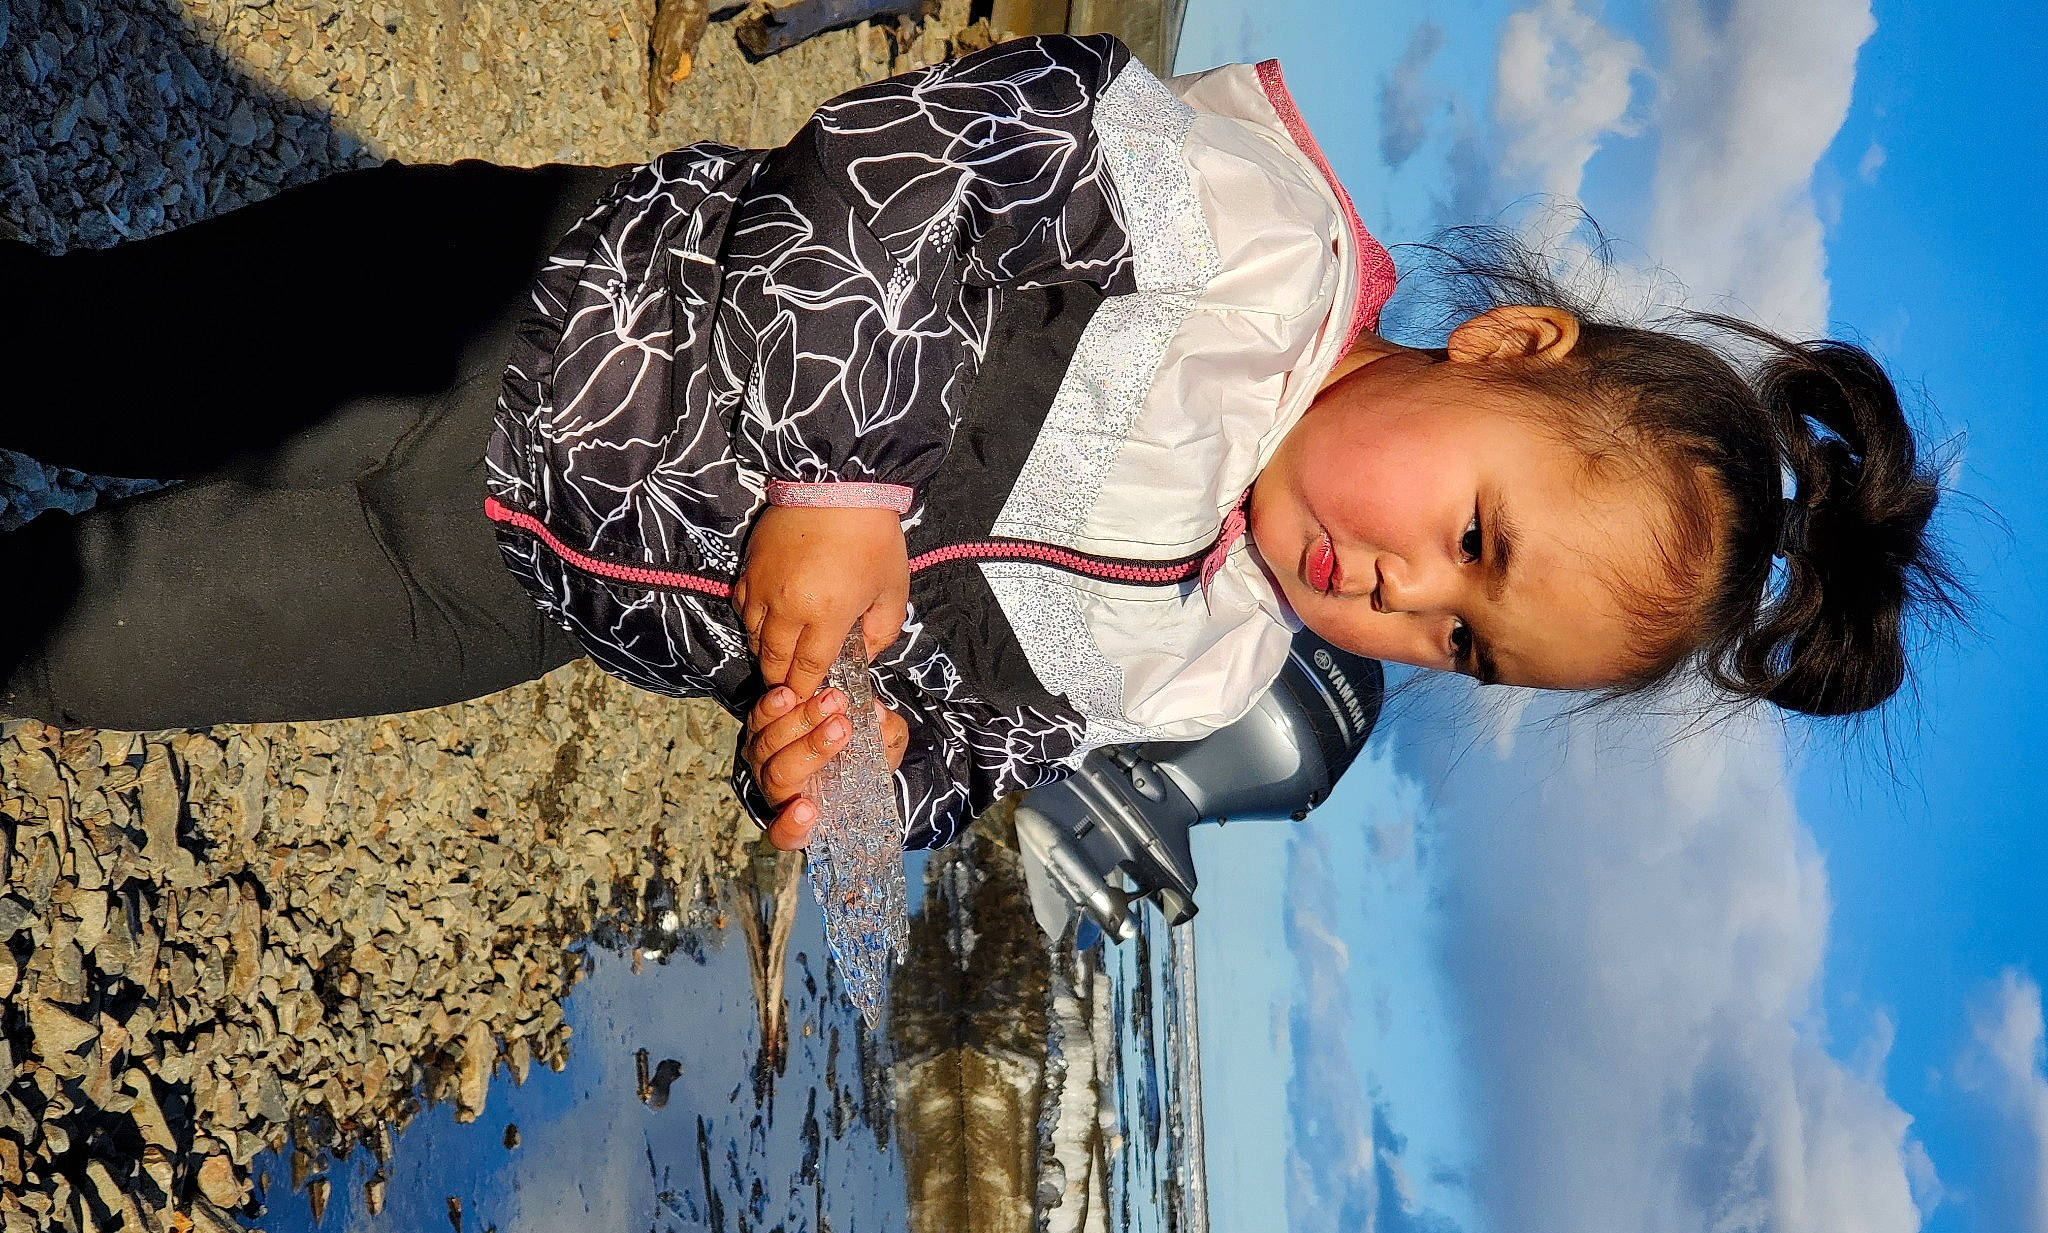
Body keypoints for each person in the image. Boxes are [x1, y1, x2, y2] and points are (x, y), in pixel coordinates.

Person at [1, 33, 1958, 854]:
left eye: (1461, 644)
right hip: (510, 314)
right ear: (1509, 346)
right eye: (1474, 540)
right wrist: (844, 488)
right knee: (81, 372)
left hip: (490, 592)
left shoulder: (1204, 665)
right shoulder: (1240, 233)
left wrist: (864, 774)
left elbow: (988, 751)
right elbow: (914, 165)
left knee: (80, 647)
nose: (1400, 594)